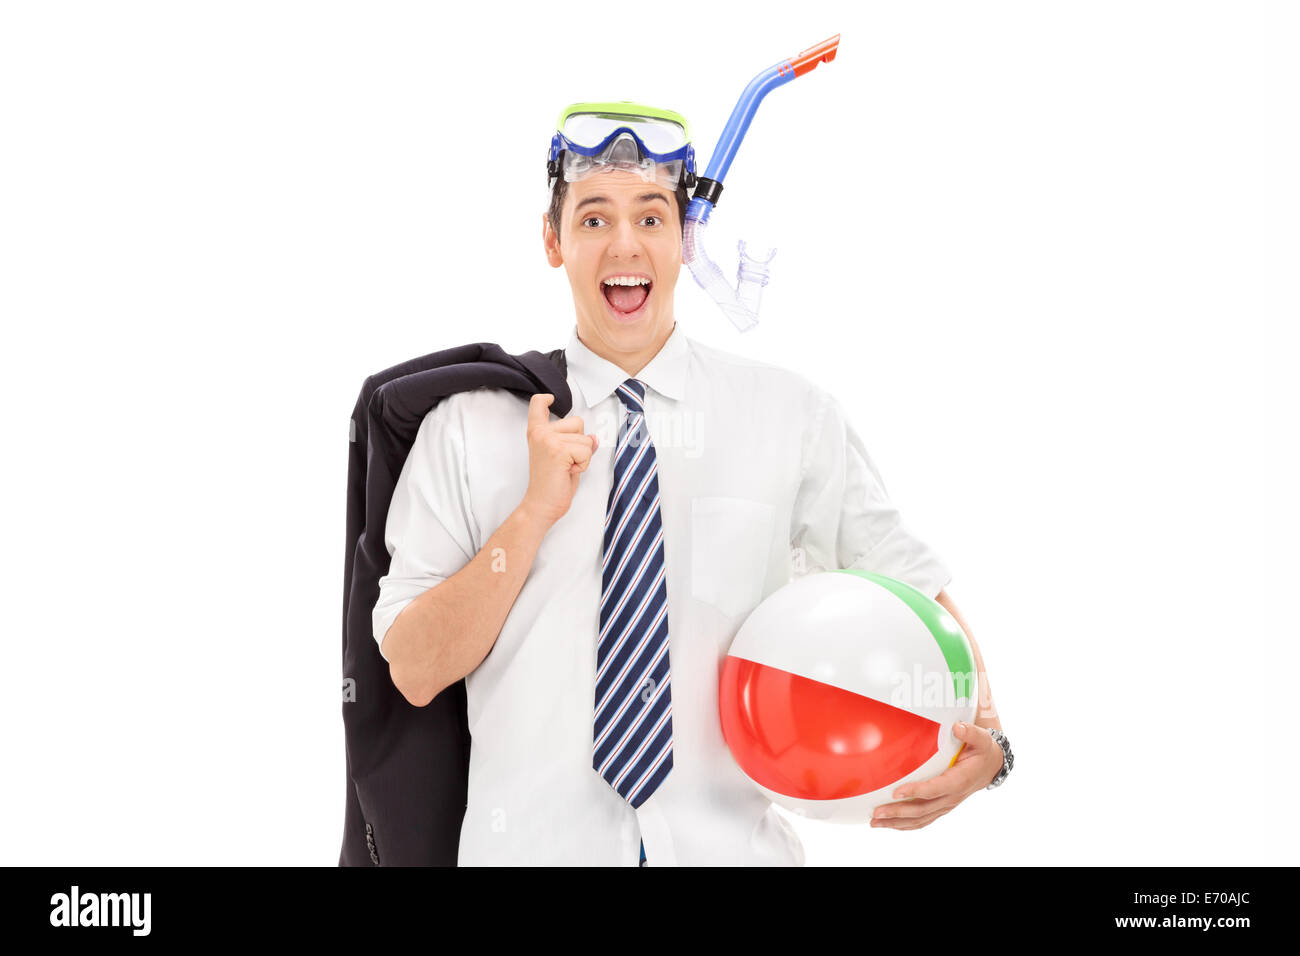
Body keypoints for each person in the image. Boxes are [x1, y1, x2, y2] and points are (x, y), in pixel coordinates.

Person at [372, 103, 1011, 866]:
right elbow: (413, 670)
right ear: (553, 241)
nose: (624, 245)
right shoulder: (469, 427)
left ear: (685, 240)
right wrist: (534, 514)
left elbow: (907, 579)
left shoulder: (790, 414)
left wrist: (991, 740)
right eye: (593, 220)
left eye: (650, 218)